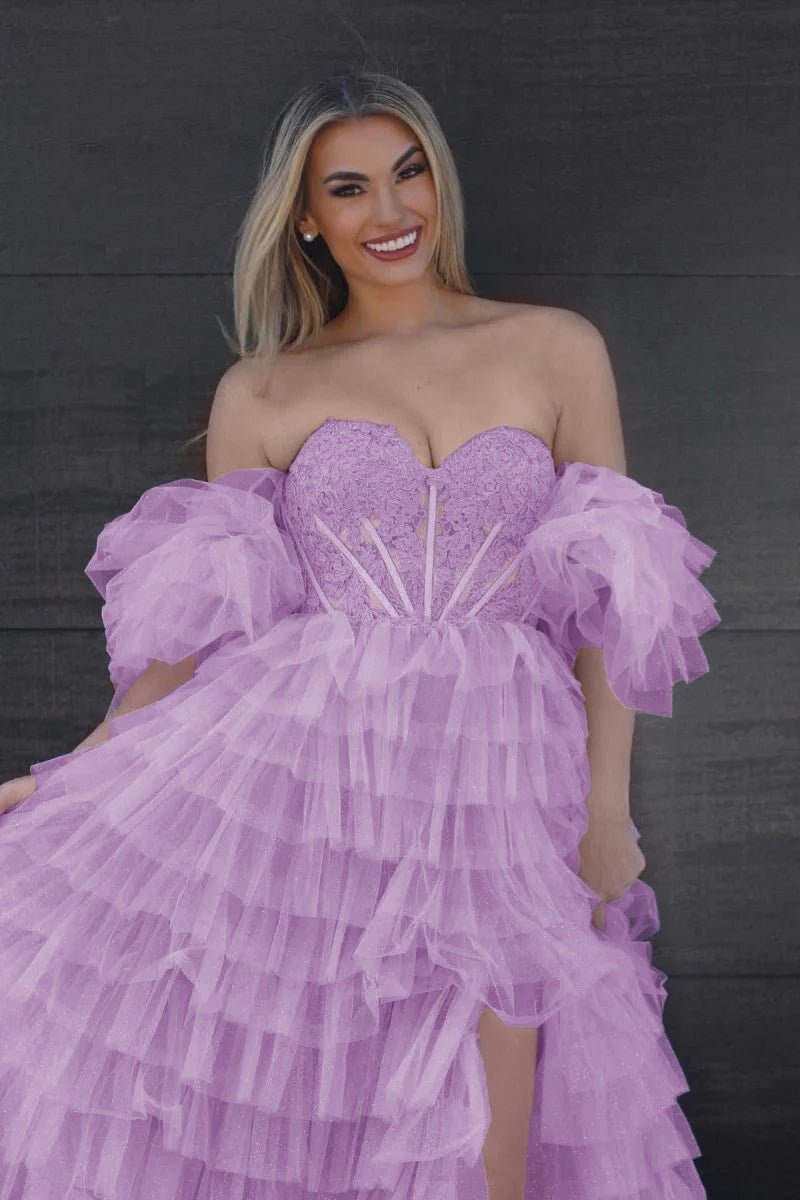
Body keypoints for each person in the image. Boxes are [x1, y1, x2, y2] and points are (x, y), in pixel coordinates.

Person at [0, 70, 720, 1200]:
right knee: (327, 1115)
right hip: (311, 784)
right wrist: (84, 769)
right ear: (305, 217)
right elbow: (209, 619)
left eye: (408, 173)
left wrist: (606, 810)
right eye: (349, 189)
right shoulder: (264, 390)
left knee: (490, 1146)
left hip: (499, 778)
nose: (390, 211)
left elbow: (610, 596)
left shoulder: (554, 348)